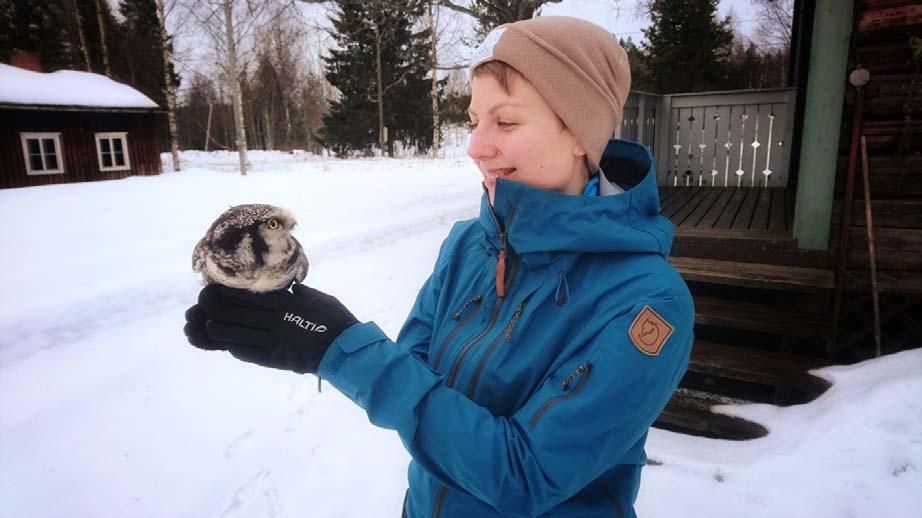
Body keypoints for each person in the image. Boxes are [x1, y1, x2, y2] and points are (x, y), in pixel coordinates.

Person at [184, 16, 694, 518]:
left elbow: (525, 476)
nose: (476, 147)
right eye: (474, 121)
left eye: (507, 121)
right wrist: (305, 337)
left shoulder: (646, 302)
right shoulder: (468, 244)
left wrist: (339, 347)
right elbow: (413, 377)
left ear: (583, 133)